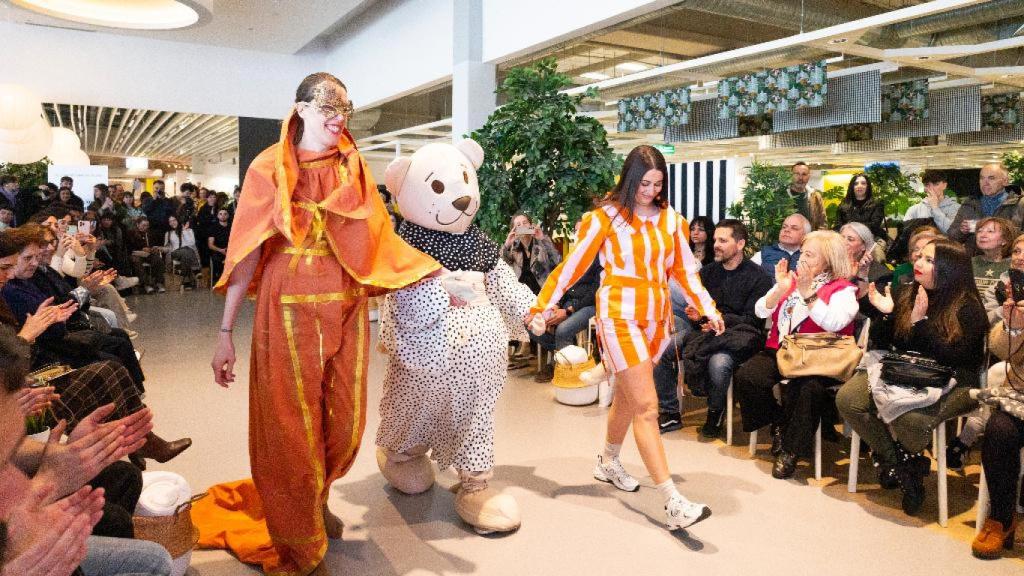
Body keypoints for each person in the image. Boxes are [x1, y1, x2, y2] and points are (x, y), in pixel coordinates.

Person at [209, 72, 443, 576]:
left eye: (345, 110)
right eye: (328, 109)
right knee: (290, 425)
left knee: (344, 420)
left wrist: (434, 276)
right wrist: (225, 334)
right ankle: (300, 540)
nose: (339, 119)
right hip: (285, 306)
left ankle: (316, 498)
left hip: (345, 304)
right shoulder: (268, 167)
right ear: (300, 110)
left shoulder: (351, 167)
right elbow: (247, 253)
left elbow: (378, 237)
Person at [529, 144, 723, 531]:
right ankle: (672, 501)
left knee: (630, 399)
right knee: (649, 406)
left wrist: (708, 308)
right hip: (618, 316)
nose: (650, 190)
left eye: (658, 183)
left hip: (657, 319)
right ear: (629, 179)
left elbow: (686, 272)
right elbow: (572, 268)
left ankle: (607, 460)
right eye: (644, 182)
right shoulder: (603, 219)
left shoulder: (672, 221)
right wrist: (542, 306)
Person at [836, 238, 986, 516]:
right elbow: (889, 344)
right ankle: (903, 465)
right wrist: (885, 315)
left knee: (911, 420)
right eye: (919, 257)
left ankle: (900, 464)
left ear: (949, 268)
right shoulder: (906, 292)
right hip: (902, 370)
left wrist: (921, 323)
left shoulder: (969, 307)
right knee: (848, 399)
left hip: (954, 380)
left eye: (929, 260)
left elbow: (959, 359)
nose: (918, 263)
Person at [733, 230, 858, 479]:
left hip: (818, 359)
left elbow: (834, 322)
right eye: (802, 252)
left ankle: (791, 451)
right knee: (748, 376)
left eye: (809, 255)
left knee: (808, 390)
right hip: (783, 351)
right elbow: (760, 311)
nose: (801, 258)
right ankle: (779, 423)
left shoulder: (843, 290)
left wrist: (809, 294)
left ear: (829, 260)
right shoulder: (791, 280)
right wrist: (779, 290)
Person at [660, 220, 772, 438]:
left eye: (723, 240)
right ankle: (670, 411)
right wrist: (698, 317)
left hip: (739, 337)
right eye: (715, 240)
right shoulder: (708, 273)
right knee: (665, 350)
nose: (716, 245)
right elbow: (699, 313)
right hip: (705, 333)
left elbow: (752, 320)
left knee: (718, 363)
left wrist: (717, 320)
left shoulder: (759, 277)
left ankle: (715, 412)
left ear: (740, 244)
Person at [970, 299, 1024, 558]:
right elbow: (1000, 350)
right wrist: (1013, 328)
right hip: (1020, 399)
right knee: (999, 430)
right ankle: (1002, 518)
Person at [530, 257, 601, 383]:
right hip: (566, 302)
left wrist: (568, 311)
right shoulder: (576, 253)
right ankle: (566, 357)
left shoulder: (601, 257)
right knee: (532, 323)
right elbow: (563, 283)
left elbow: (594, 293)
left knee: (563, 330)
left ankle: (561, 367)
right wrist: (556, 305)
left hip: (589, 305)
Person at [948, 163, 1024, 248]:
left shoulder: (1020, 204)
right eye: (982, 178)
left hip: (1008, 259)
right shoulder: (969, 204)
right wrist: (962, 231)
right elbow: (951, 237)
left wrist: (1003, 232)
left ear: (1005, 181)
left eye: (991, 178)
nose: (985, 183)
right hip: (973, 259)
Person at [500, 213, 561, 294]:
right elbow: (500, 265)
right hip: (520, 296)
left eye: (525, 223)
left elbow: (557, 262)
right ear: (514, 230)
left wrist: (542, 239)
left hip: (543, 293)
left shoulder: (541, 243)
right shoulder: (513, 248)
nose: (522, 226)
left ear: (531, 225)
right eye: (518, 225)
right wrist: (507, 244)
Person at [840, 222, 890, 299]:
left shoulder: (880, 274)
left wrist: (863, 274)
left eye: (850, 239)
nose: (843, 242)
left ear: (864, 246)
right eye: (841, 238)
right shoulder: (832, 265)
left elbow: (870, 306)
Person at [834, 173, 887, 242]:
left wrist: (850, 227)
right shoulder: (844, 204)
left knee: (877, 252)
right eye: (856, 184)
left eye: (863, 183)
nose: (859, 186)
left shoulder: (877, 204)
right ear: (852, 187)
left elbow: (874, 226)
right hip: (847, 239)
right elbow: (838, 225)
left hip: (872, 238)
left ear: (868, 186)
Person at [971, 217, 1016, 297]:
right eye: (980, 231)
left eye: (990, 231)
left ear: (1004, 240)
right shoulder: (968, 263)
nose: (983, 235)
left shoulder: (1014, 265)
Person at [904, 170, 960, 234]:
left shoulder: (956, 208)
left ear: (944, 185)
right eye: (927, 185)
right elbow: (906, 234)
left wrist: (935, 208)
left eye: (936, 184)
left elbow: (952, 232)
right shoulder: (914, 209)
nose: (931, 189)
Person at [126, 217, 166, 294]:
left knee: (158, 260)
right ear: (138, 225)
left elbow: (152, 245)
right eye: (143, 225)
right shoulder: (131, 233)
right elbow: (129, 247)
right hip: (136, 253)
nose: (145, 227)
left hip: (148, 254)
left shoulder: (149, 233)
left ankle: (159, 282)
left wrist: (153, 248)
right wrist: (141, 249)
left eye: (147, 225)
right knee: (137, 262)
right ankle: (146, 284)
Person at [163, 215, 200, 289]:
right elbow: (166, 247)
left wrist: (185, 231)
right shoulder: (169, 233)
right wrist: (162, 249)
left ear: (178, 220)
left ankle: (186, 281)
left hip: (187, 254)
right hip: (175, 253)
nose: (172, 223)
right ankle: (196, 269)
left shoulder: (189, 230)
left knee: (186, 252)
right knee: (186, 250)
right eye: (170, 221)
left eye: (174, 220)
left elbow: (192, 243)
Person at [787, 162, 826, 230]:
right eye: (797, 174)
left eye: (804, 174)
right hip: (787, 239)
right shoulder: (781, 195)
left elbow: (822, 222)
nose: (800, 178)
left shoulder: (815, 196)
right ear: (791, 175)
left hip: (810, 239)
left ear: (809, 176)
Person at [207, 208, 231, 285]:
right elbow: (210, 245)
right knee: (216, 259)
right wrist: (221, 250)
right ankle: (219, 279)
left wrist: (228, 250)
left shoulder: (232, 227)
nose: (223, 216)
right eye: (220, 214)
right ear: (217, 216)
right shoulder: (213, 228)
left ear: (228, 215)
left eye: (225, 214)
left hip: (231, 250)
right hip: (218, 251)